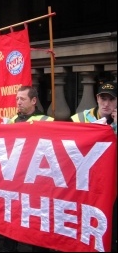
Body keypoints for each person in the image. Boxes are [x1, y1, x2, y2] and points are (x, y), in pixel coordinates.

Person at [2, 86, 54, 252]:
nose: (18, 102)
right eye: (17, 99)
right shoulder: (11, 121)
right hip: (15, 176)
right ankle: (9, 246)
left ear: (33, 101)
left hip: (37, 178)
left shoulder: (48, 121)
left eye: (22, 99)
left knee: (37, 215)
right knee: (12, 213)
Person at [71, 81, 117, 252]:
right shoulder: (80, 118)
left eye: (111, 100)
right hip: (87, 179)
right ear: (97, 99)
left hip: (112, 179)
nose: (106, 104)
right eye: (103, 98)